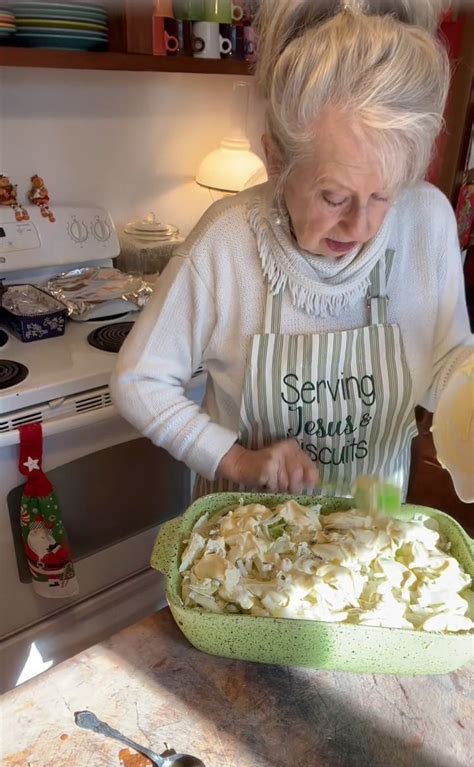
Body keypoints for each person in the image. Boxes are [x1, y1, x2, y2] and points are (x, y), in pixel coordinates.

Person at [111, 0, 473, 502]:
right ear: (276, 159)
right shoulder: (228, 242)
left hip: (369, 540)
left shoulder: (428, 221)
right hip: (242, 537)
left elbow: (445, 365)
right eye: (334, 197)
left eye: (385, 194)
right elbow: (139, 380)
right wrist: (239, 460)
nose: (362, 225)